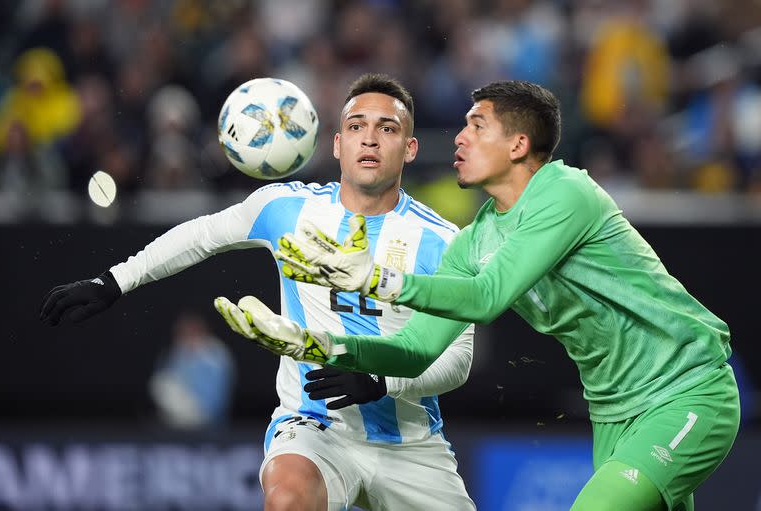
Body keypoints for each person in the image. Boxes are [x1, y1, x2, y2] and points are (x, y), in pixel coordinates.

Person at [217, 80, 739, 511]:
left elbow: (488, 298)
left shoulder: (566, 192)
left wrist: (375, 279)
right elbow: (419, 349)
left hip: (686, 391)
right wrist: (321, 346)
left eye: (476, 125)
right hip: (613, 412)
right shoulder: (473, 239)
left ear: (517, 146)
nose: (459, 138)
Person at [40, 73, 476, 511]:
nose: (370, 140)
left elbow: (459, 360)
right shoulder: (285, 208)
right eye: (358, 127)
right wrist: (115, 281)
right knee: (287, 498)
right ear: (337, 143)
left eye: (387, 128)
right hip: (314, 426)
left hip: (411, 444)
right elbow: (203, 235)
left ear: (410, 148)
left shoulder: (441, 240)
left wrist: (383, 380)